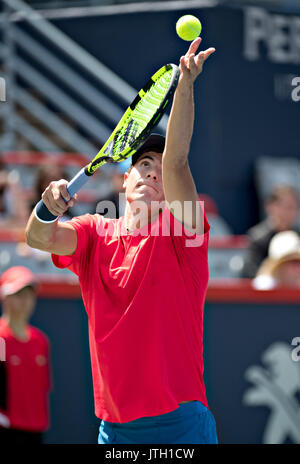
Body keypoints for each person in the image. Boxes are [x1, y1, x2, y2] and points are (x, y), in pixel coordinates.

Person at [25, 38, 218, 444]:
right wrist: (46, 208)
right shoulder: (94, 232)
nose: (153, 173)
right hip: (114, 431)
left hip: (180, 421)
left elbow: (177, 160)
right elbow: (39, 236)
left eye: (159, 171)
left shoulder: (184, 238)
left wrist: (185, 85)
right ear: (124, 180)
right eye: (143, 164)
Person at [0, 266, 51, 444]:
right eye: (19, 295)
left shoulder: (40, 341)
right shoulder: (0, 339)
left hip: (35, 430)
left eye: (30, 295)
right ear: (5, 296)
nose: (25, 301)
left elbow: (43, 387)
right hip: (6, 429)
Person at [242, 185, 300, 278]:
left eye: (293, 207)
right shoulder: (257, 239)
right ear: (270, 207)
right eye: (285, 207)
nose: (288, 212)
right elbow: (250, 273)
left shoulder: (298, 236)